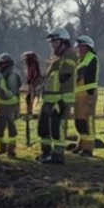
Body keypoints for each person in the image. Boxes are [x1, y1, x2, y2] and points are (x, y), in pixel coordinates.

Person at [38, 27, 77, 164]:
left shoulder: (70, 54)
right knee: (43, 126)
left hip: (62, 98)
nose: (52, 44)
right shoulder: (55, 57)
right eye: (51, 42)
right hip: (49, 98)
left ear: (63, 41)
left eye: (54, 41)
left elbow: (65, 74)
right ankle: (46, 152)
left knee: (58, 126)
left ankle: (58, 155)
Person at [73, 34, 100, 157]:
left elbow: (80, 71)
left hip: (88, 96)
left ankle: (88, 149)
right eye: (78, 47)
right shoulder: (81, 59)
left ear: (88, 47)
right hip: (79, 96)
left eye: (82, 47)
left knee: (86, 122)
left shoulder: (90, 57)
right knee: (79, 121)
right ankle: (81, 145)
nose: (79, 49)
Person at [0, 53, 22, 157]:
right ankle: (3, 148)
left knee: (11, 130)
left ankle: (11, 149)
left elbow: (11, 93)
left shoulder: (12, 77)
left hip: (10, 108)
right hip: (1, 107)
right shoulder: (1, 77)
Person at [21, 51, 43, 117]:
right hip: (32, 85)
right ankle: (29, 111)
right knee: (29, 98)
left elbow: (35, 75)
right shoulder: (30, 66)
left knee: (30, 98)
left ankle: (30, 112)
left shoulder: (33, 65)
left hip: (35, 85)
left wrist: (31, 82)